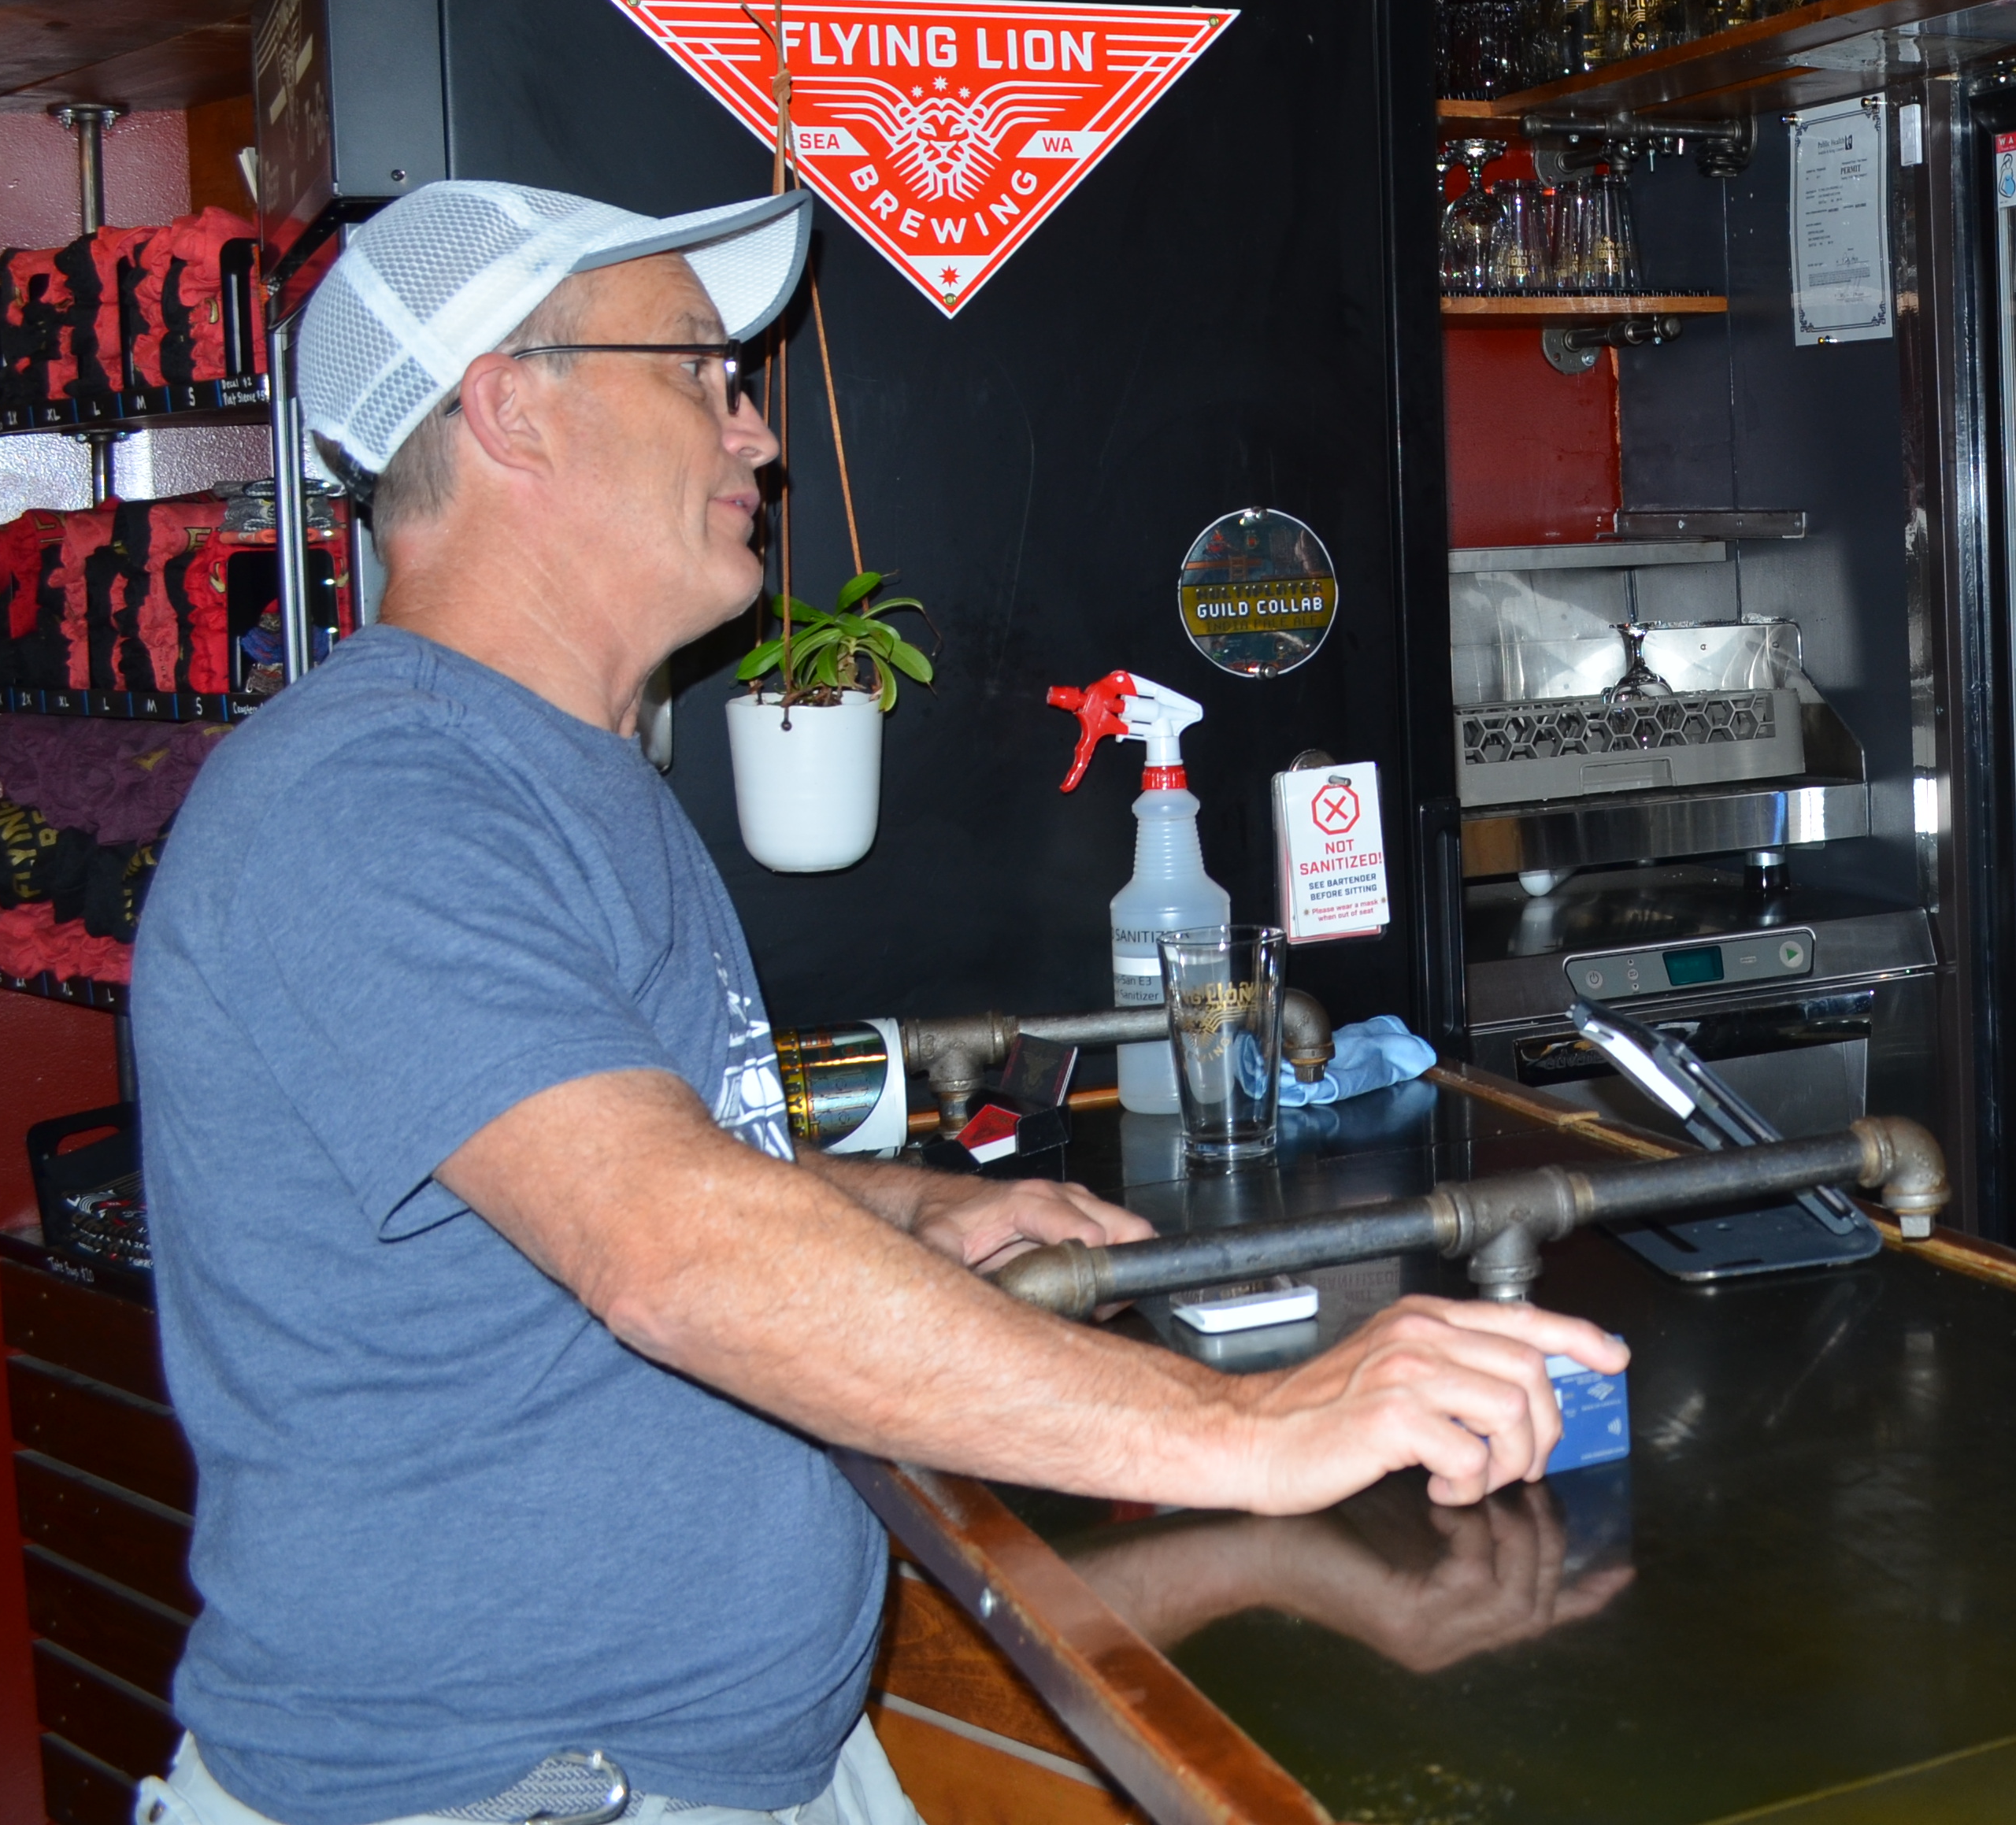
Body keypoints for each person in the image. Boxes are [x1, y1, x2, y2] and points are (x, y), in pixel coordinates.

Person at [131, 180, 1624, 1825]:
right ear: (512, 408)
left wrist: (903, 1210)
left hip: (697, 1770)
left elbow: (576, 1183)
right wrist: (1252, 1428)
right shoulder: (376, 799)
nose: (757, 437)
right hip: (513, 1792)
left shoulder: (554, 774)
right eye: (702, 371)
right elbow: (667, 1247)